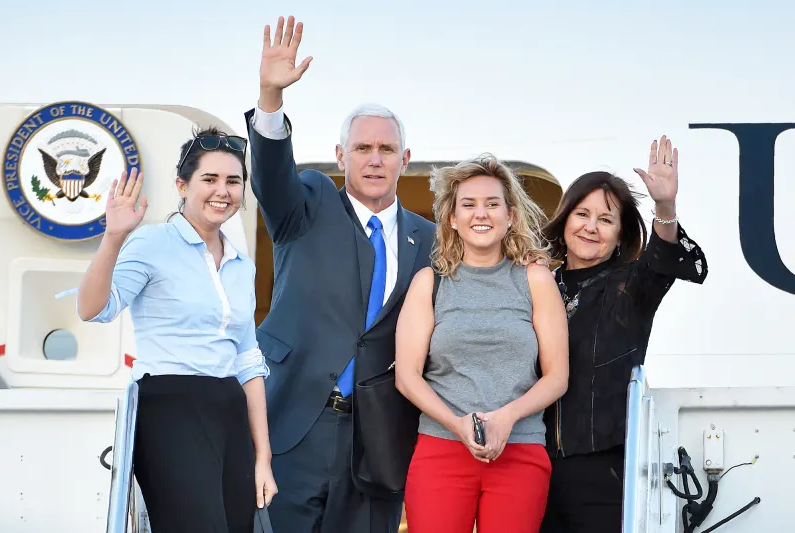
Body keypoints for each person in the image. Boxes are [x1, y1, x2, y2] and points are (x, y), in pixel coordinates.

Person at [244, 15, 436, 533]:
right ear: (340, 156)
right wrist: (269, 96)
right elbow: (269, 175)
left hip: (378, 441)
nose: (374, 160)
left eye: (387, 149)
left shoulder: (431, 240)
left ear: (405, 160)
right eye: (362, 148)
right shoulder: (306, 204)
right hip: (293, 426)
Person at [73, 127, 277, 533]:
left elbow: (248, 362)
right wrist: (113, 237)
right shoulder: (152, 242)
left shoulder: (241, 263)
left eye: (233, 181)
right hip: (169, 407)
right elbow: (93, 308)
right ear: (182, 185)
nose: (223, 191)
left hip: (229, 411)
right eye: (210, 179)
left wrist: (263, 459)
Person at [539, 136, 708, 533]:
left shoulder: (631, 285)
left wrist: (664, 206)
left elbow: (662, 260)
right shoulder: (533, 283)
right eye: (582, 214)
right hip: (530, 461)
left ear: (620, 234)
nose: (591, 227)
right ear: (564, 220)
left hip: (606, 468)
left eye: (606, 219)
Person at [394, 155, 570, 533]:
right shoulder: (430, 282)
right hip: (440, 450)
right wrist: (458, 425)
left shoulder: (536, 280)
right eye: (468, 204)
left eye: (493, 204)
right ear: (452, 219)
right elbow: (407, 377)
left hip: (520, 451)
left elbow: (557, 377)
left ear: (510, 216)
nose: (481, 214)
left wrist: (506, 418)